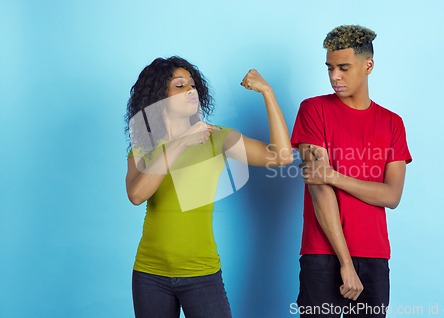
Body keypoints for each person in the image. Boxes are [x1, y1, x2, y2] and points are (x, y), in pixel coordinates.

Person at [124, 56, 293, 318]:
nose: (191, 90)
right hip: (150, 275)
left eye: (192, 85)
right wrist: (180, 142)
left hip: (202, 274)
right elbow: (136, 195)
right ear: (160, 96)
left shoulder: (217, 138)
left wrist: (267, 93)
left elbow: (282, 156)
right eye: (180, 86)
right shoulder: (144, 146)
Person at [291, 25, 412, 317]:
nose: (335, 76)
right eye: (330, 68)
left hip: (374, 255)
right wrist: (345, 262)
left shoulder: (392, 123)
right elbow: (318, 188)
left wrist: (333, 175)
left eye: (344, 67)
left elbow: (391, 195)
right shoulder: (313, 110)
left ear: (368, 65)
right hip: (323, 254)